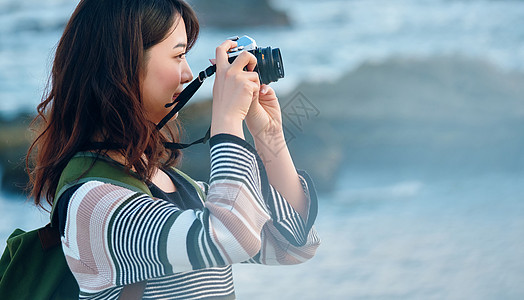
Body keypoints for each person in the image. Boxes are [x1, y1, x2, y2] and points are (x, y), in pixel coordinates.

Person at [27, 0, 320, 299]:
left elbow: (292, 245)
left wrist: (269, 135)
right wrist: (227, 120)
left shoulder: (173, 184)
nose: (188, 73)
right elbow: (230, 237)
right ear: (122, 64)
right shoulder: (92, 202)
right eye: (179, 55)